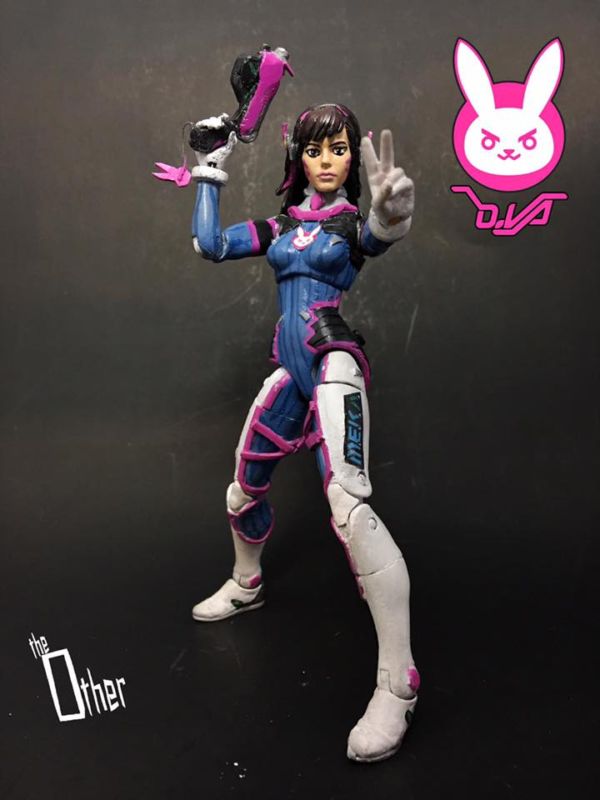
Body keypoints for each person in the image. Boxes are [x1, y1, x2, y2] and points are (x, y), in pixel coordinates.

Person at [189, 103, 420, 763]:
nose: (326, 160)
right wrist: (208, 171)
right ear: (299, 157)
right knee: (243, 489)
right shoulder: (285, 225)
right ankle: (248, 582)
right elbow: (210, 245)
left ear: (351, 156)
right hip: (290, 371)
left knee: (351, 511)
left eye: (339, 148)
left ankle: (398, 681)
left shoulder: (349, 226)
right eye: (315, 149)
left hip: (331, 362)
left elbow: (377, 233)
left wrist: (392, 214)